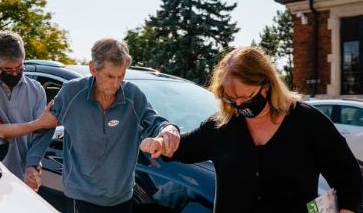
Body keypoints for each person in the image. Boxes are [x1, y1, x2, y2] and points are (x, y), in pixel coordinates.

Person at [140, 47, 362, 213]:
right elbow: (184, 148)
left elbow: (349, 179)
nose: (238, 105)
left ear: (266, 85)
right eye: (230, 98)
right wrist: (162, 142)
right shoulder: (221, 126)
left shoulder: (308, 122)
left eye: (245, 97)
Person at [36, 38, 181, 213]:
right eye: (110, 76)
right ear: (92, 69)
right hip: (81, 195)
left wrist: (168, 130)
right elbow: (45, 126)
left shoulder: (133, 95)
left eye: (121, 76)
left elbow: (155, 123)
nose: (116, 83)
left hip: (121, 197)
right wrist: (32, 163)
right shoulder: (72, 93)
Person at [0, 31, 54, 191]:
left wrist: (32, 165)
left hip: (24, 177)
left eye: (19, 67)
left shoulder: (36, 89)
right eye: (8, 69)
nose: (15, 73)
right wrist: (39, 123)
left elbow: (41, 133)